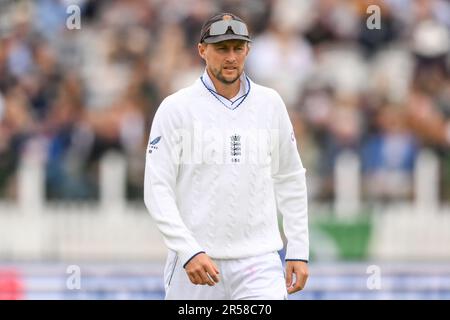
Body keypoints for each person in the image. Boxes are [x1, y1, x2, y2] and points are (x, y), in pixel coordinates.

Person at [144, 12, 309, 300]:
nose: (231, 57)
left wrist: (298, 249)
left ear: (248, 50)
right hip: (195, 264)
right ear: (202, 50)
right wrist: (187, 249)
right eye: (221, 48)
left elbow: (290, 177)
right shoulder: (176, 108)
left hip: (258, 261)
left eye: (238, 48)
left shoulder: (270, 104)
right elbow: (156, 188)